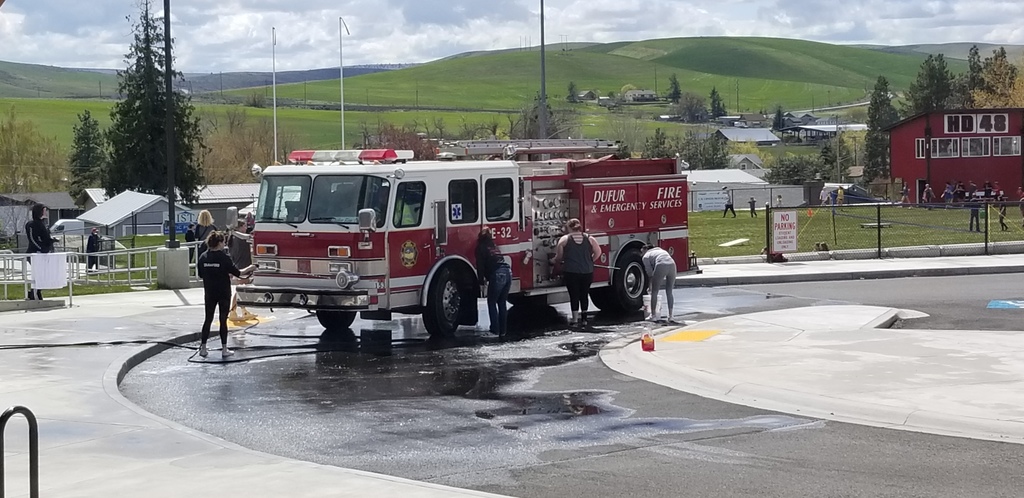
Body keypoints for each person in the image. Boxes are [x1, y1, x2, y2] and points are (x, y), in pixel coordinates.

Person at [197, 231, 256, 358]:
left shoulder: (203, 257)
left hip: (209, 292)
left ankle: (203, 348)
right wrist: (251, 268)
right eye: (223, 242)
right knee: (223, 320)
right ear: (219, 243)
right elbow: (239, 273)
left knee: (208, 319)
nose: (224, 244)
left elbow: (201, 274)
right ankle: (224, 349)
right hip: (223, 293)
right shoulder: (224, 258)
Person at [554, 218, 601, 327]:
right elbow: (598, 252)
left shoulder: (564, 239)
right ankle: (584, 319)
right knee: (584, 294)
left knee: (574, 295)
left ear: (569, 228)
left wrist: (554, 261)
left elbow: (559, 257)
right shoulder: (590, 238)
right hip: (587, 271)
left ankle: (575, 319)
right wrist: (590, 261)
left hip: (571, 271)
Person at [475, 228, 511, 337]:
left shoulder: (480, 248)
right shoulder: (493, 246)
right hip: (508, 272)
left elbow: (480, 266)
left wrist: (481, 281)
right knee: (502, 302)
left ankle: (494, 330)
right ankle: (503, 331)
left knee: (491, 302)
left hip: (497, 274)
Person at [226, 219, 256, 322]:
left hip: (237, 265)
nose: (246, 228)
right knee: (240, 290)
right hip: (243, 266)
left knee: (241, 289)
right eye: (244, 226)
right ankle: (233, 312)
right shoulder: (240, 239)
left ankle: (243, 311)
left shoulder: (231, 238)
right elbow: (248, 238)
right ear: (239, 227)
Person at [24, 204, 55, 300]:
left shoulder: (43, 224)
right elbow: (33, 239)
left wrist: (51, 241)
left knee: (42, 274)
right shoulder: (31, 224)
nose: (46, 212)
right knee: (37, 274)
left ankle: (36, 292)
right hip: (34, 253)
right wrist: (41, 249)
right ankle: (34, 293)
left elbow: (45, 238)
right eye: (44, 210)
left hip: (43, 253)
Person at [642, 245, 677, 323]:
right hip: (672, 265)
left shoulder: (646, 256)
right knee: (669, 292)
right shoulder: (661, 251)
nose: (642, 253)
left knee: (654, 292)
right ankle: (671, 316)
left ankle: (653, 315)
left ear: (646, 249)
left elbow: (650, 274)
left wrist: (650, 286)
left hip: (661, 265)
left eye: (642, 251)